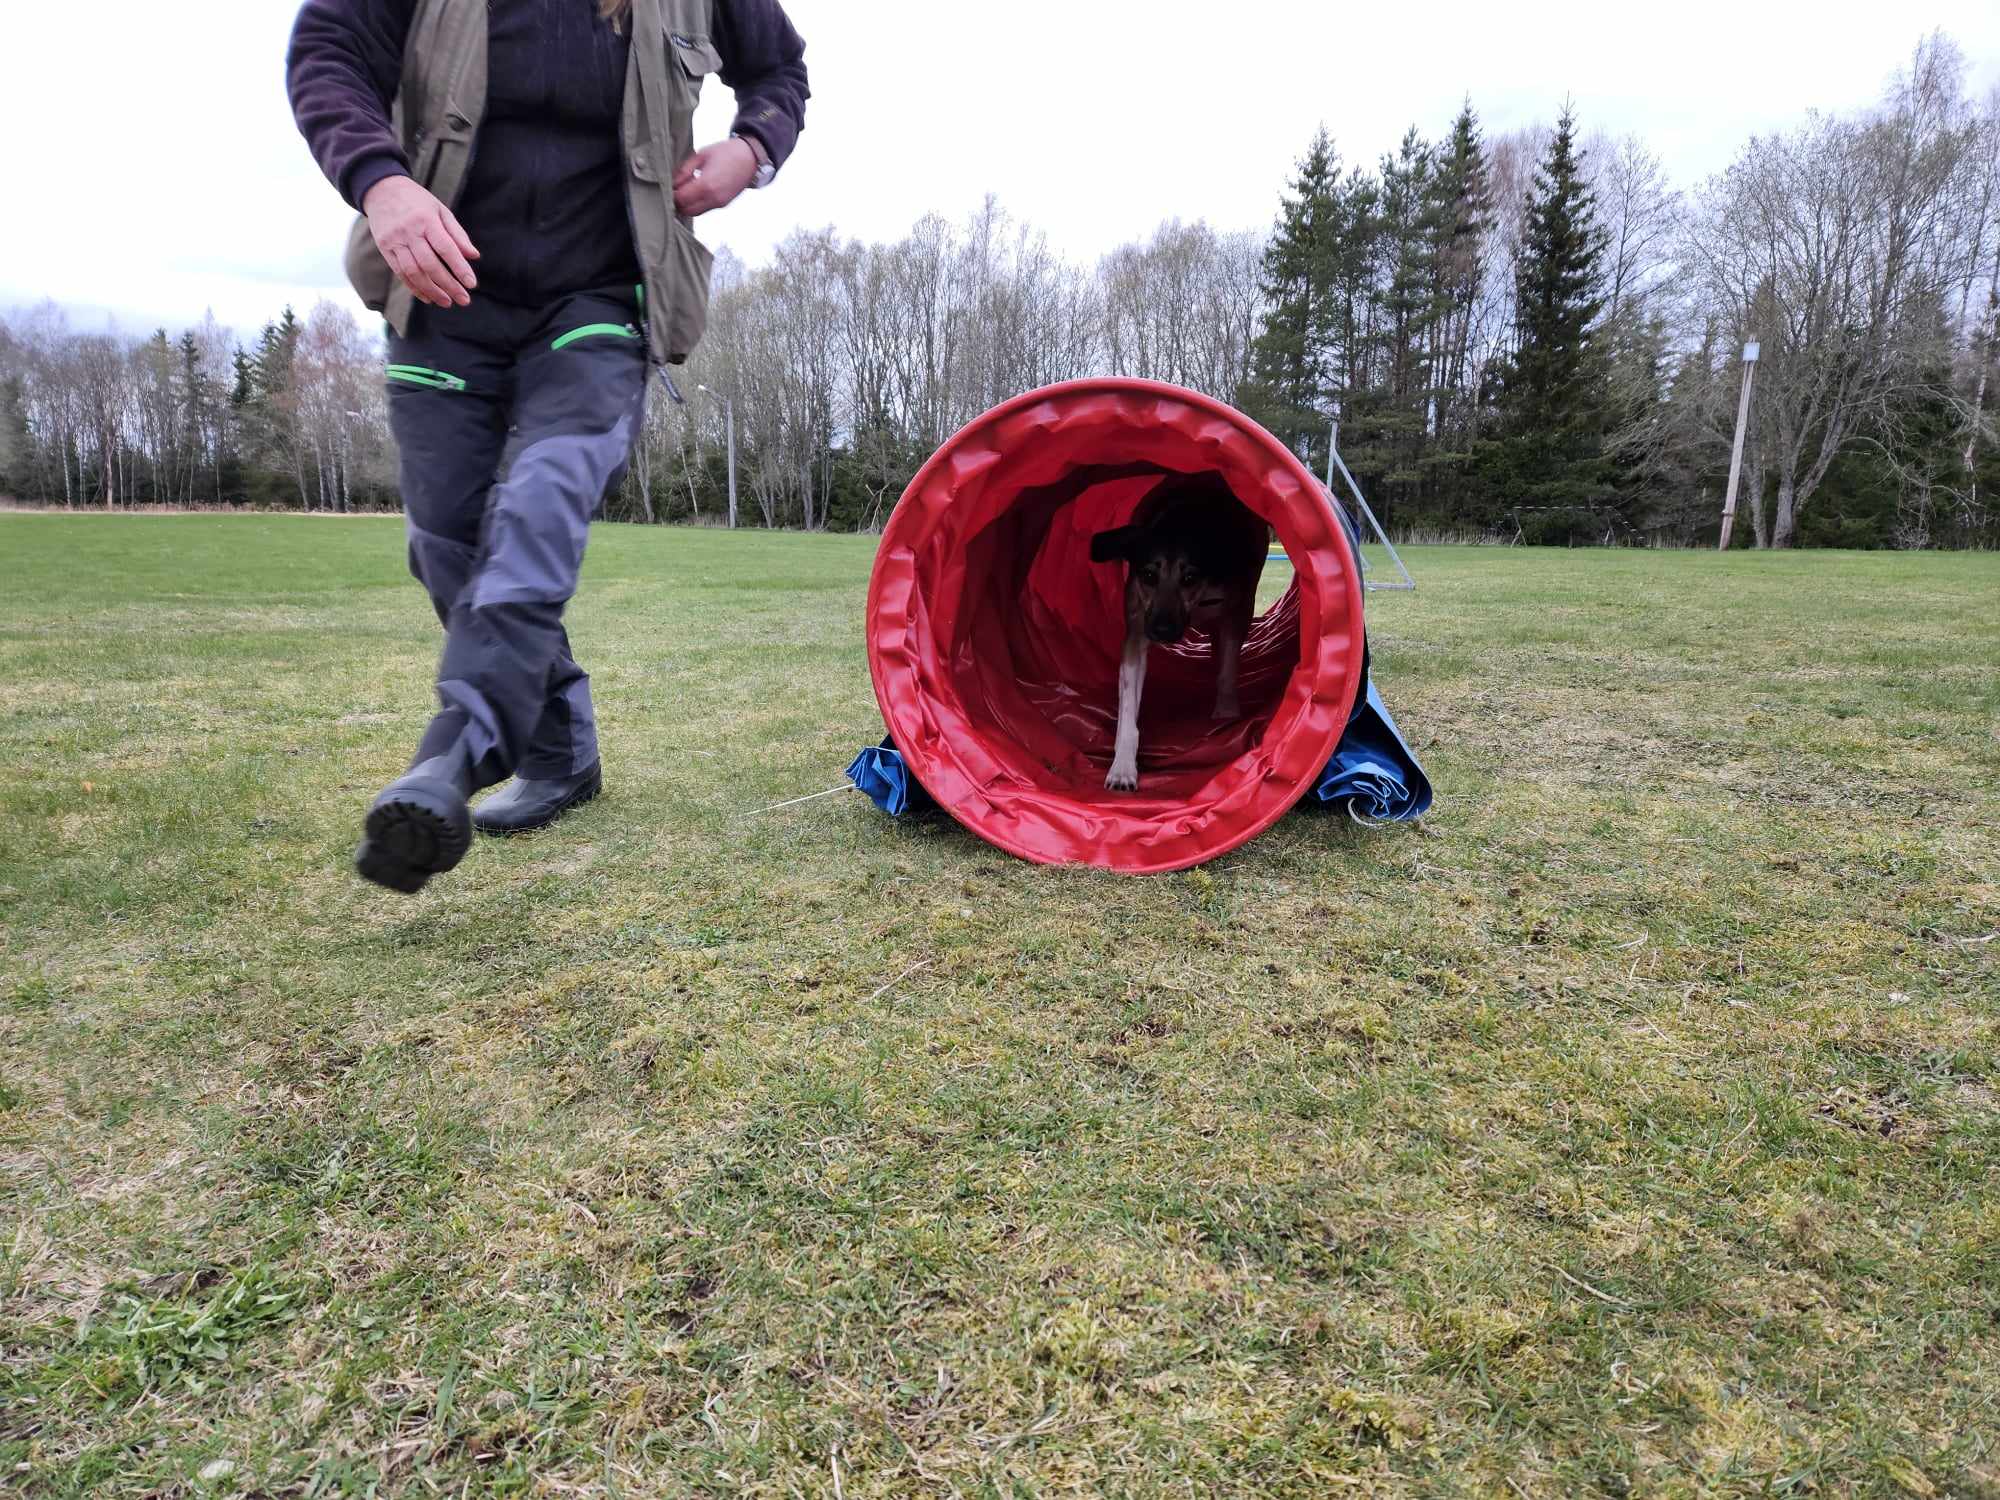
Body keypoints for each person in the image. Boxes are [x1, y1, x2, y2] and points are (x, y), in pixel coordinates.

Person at [287, 0, 808, 894]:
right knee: (448, 541)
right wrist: (381, 180)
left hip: (600, 298)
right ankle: (562, 749)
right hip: (444, 290)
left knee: (543, 494)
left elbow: (781, 73)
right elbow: (328, 50)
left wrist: (750, 151)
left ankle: (455, 756)